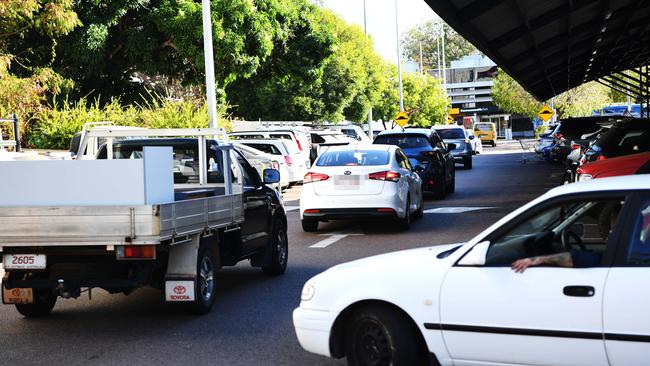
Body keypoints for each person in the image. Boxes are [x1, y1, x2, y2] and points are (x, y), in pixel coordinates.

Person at [512, 202, 622, 273]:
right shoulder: (631, 246)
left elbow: (580, 259)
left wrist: (540, 259)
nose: (610, 232)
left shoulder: (622, 253)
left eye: (612, 228)